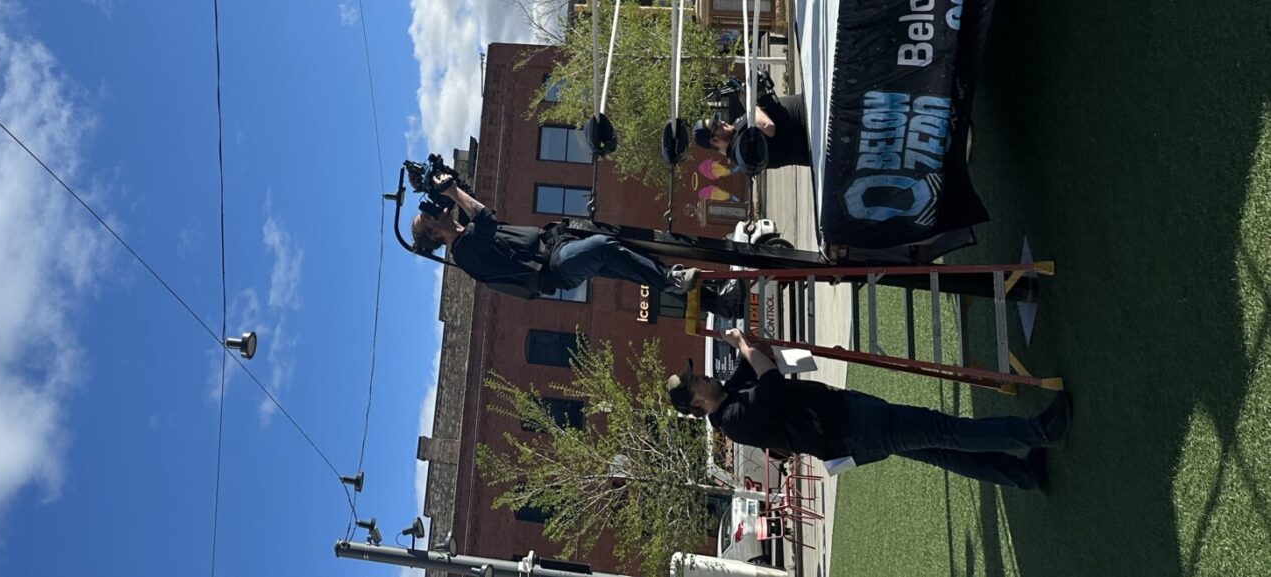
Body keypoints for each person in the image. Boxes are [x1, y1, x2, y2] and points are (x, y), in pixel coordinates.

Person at [668, 326, 1073, 491]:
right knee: (945, 431)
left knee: (942, 450)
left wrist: (751, 343)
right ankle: (1040, 432)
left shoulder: (730, 392)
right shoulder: (734, 421)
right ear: (697, 401)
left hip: (847, 417)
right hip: (851, 430)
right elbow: (770, 382)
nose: (703, 375)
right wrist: (743, 347)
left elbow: (763, 355)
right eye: (696, 381)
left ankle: (1025, 474)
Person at [409, 165, 741, 312]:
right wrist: (450, 191)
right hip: (554, 268)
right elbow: (485, 218)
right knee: (602, 248)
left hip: (557, 241)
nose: (437, 209)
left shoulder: (464, 230)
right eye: (430, 215)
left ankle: (717, 300)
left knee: (627, 255)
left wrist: (439, 176)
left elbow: (464, 191)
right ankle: (671, 280)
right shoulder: (466, 252)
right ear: (435, 233)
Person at [695, 92, 813, 171]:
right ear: (715, 141)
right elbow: (768, 127)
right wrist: (753, 107)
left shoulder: (736, 129)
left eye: (717, 120)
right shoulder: (741, 151)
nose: (721, 122)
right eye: (716, 125)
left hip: (809, 110)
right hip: (810, 135)